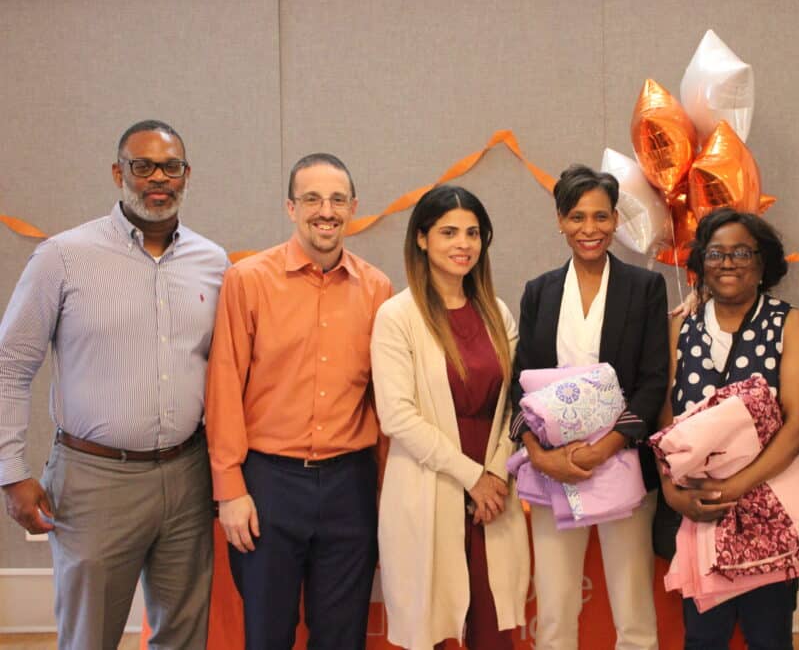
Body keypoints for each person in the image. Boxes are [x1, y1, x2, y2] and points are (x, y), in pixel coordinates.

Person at [0, 120, 226, 649]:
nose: (157, 178)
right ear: (117, 172)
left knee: (184, 635)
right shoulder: (63, 256)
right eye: (141, 165)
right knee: (90, 637)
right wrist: (11, 472)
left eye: (170, 167)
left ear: (186, 175)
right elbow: (10, 365)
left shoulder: (213, 263)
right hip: (94, 481)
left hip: (188, 476)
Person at [204, 153, 392, 649]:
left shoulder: (377, 290)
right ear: (291, 207)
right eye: (311, 198)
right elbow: (223, 387)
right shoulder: (248, 281)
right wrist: (229, 489)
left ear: (354, 207)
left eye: (335, 199)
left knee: (342, 637)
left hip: (350, 486)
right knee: (267, 635)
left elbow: (385, 399)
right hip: (269, 485)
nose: (324, 210)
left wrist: (386, 494)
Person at [510, 164, 668, 650]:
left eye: (601, 217)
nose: (590, 229)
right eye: (577, 217)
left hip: (621, 460)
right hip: (554, 469)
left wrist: (605, 449)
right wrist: (539, 454)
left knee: (634, 611)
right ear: (559, 220)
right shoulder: (539, 292)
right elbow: (520, 383)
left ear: (616, 219)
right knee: (555, 611)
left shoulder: (644, 288)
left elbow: (652, 380)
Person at [371, 185, 529, 650]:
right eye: (449, 232)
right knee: (433, 627)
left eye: (473, 233)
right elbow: (397, 416)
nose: (464, 244)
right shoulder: (396, 315)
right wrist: (472, 477)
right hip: (430, 481)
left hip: (494, 493)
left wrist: (496, 474)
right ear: (421, 239)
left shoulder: (497, 312)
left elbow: (516, 401)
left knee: (494, 627)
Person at [656, 208, 799, 649]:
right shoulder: (681, 326)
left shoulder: (790, 324)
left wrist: (735, 487)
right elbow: (666, 420)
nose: (728, 263)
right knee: (702, 637)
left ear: (763, 263)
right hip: (699, 514)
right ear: (700, 264)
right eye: (716, 253)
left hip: (770, 510)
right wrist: (673, 492)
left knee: (768, 637)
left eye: (741, 252)